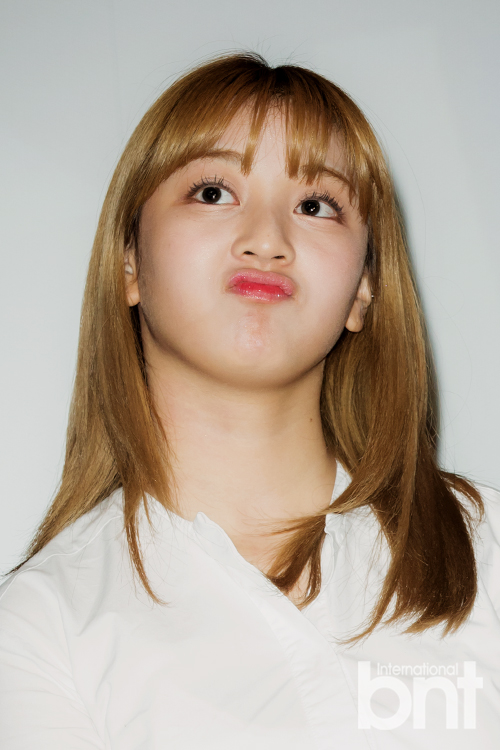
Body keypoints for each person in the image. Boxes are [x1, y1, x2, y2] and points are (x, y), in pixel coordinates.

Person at [0, 51, 499, 749]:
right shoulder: (38, 632)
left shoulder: (489, 548)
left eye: (315, 205)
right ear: (129, 262)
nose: (267, 240)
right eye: (212, 192)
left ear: (363, 290)